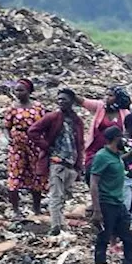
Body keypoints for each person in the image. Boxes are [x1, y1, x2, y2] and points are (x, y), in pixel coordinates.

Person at [28, 87, 85, 237]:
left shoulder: (76, 120)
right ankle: (56, 227)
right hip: (57, 161)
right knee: (56, 195)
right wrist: (47, 147)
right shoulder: (53, 117)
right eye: (59, 99)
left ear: (72, 101)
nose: (61, 102)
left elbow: (79, 144)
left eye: (64, 99)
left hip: (71, 163)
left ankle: (60, 223)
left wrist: (79, 164)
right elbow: (33, 131)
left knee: (63, 195)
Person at [88, 127, 132, 264]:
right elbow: (94, 182)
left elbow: (122, 160)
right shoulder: (102, 157)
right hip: (106, 203)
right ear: (116, 138)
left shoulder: (116, 156)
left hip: (118, 203)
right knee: (103, 238)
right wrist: (96, 210)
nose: (123, 140)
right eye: (121, 137)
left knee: (128, 238)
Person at [3, 77, 46, 218]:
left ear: (29, 91)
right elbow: (6, 127)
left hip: (35, 145)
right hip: (17, 146)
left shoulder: (38, 107)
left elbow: (45, 125)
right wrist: (10, 138)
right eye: (16, 90)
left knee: (36, 176)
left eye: (21, 90)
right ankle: (15, 210)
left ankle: (37, 209)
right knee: (14, 175)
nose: (18, 93)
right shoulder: (12, 108)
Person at [80, 86, 132, 172]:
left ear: (118, 99)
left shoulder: (125, 113)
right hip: (94, 150)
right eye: (106, 94)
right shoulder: (100, 107)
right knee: (92, 172)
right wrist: (72, 95)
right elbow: (84, 102)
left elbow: (129, 131)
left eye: (110, 95)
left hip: (113, 152)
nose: (106, 97)